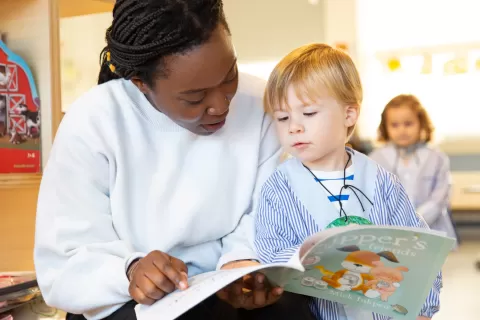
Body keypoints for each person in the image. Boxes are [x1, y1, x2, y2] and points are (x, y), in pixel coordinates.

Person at [33, 1, 315, 319]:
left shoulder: (260, 104)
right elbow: (64, 260)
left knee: (291, 307)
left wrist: (244, 262)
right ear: (141, 84)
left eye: (229, 76)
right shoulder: (95, 121)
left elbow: (271, 209)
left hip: (231, 285)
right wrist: (130, 270)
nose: (221, 104)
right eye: (194, 98)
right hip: (132, 301)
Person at [253, 43, 441, 320]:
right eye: (282, 117)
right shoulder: (280, 188)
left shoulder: (381, 181)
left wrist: (422, 308)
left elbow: (419, 248)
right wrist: (307, 258)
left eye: (308, 113)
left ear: (348, 114)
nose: (294, 126)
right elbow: (270, 251)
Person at [369, 94, 458, 243]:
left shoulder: (437, 158)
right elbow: (373, 197)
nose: (402, 130)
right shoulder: (374, 159)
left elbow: (439, 198)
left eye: (408, 123)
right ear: (385, 127)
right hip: (390, 232)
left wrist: (414, 221)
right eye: (395, 125)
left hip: (431, 231)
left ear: (421, 123)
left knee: (430, 265)